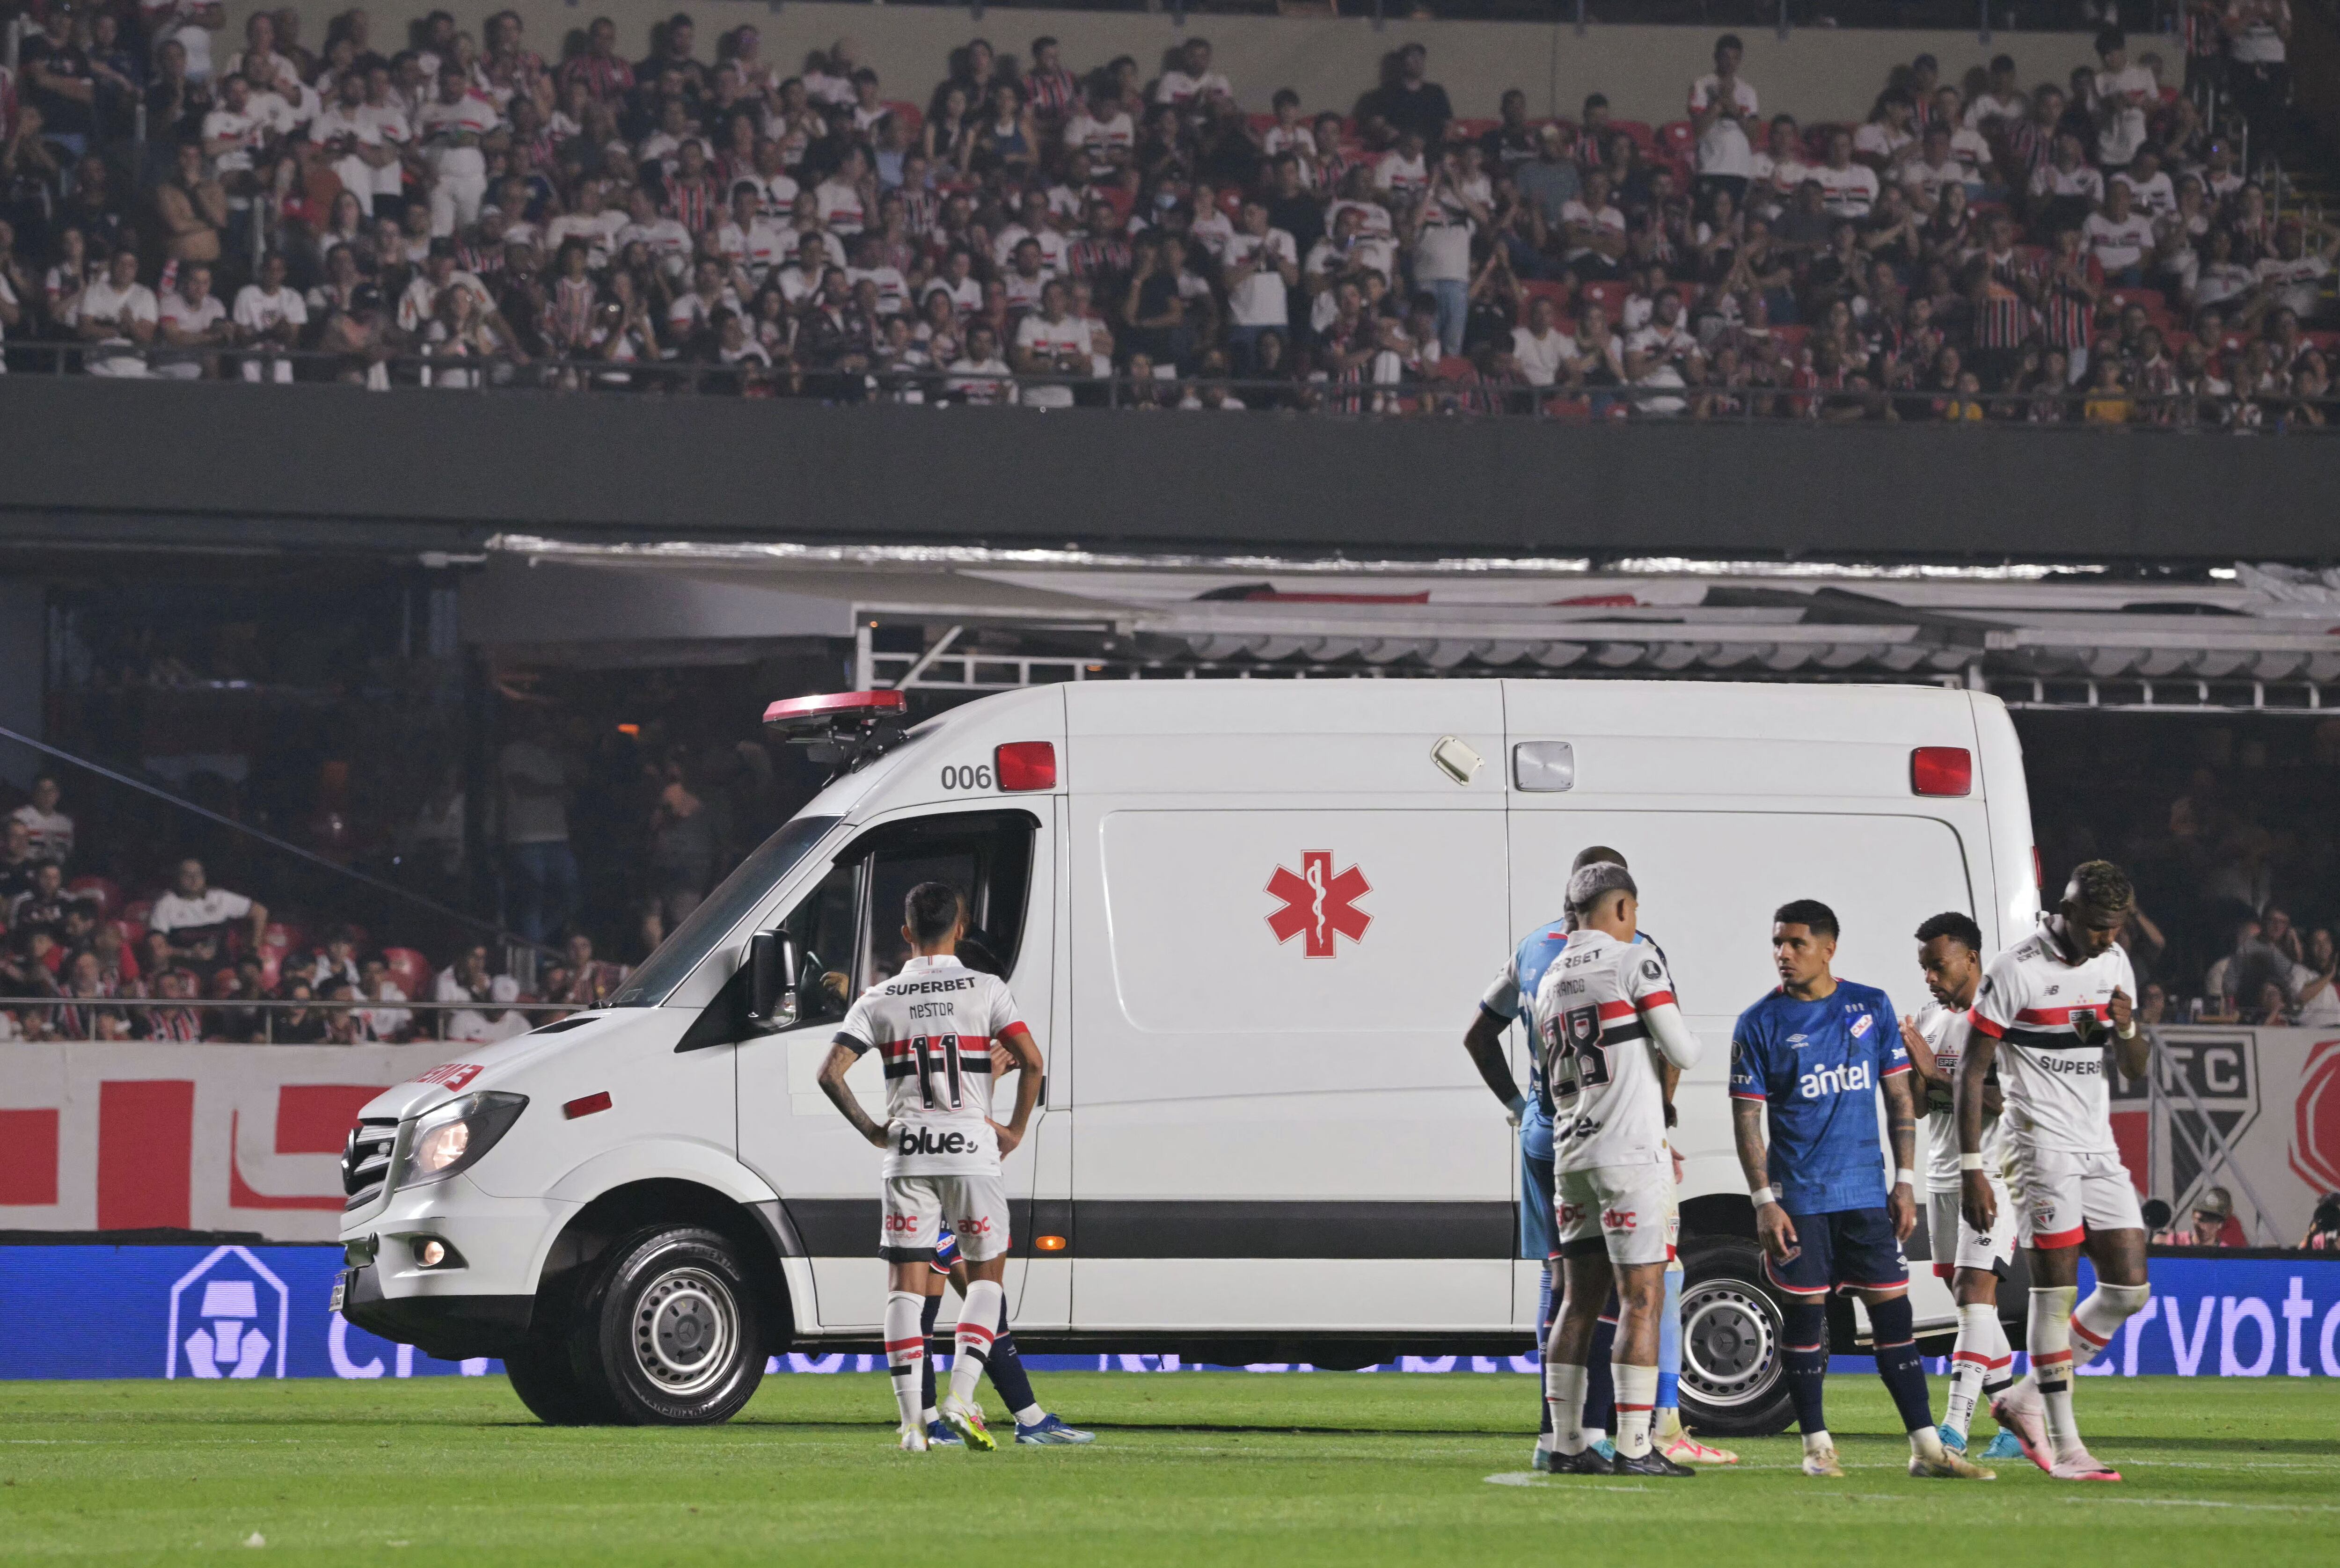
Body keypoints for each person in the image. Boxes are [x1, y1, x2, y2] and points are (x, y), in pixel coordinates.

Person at [1730, 899, 1992, 1480]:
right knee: (1804, 1323)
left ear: (1828, 948)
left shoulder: (1869, 1006)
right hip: (1798, 1198)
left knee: (1893, 1320)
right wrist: (1763, 1201)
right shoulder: (1758, 1022)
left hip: (1865, 1195)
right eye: (1778, 943)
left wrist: (1903, 1183)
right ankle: (1816, 1448)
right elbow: (1746, 1119)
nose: (1783, 954)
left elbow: (1901, 1099)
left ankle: (1926, 1449)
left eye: (1796, 943)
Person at [816, 881, 1044, 1452]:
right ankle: (961, 1397)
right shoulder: (986, 988)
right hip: (971, 1150)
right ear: (961, 929)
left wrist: (873, 1130)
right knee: (986, 1280)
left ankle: (912, 1428)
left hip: (908, 1151)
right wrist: (1012, 1132)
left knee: (904, 1293)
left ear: (905, 932)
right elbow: (1034, 1063)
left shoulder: (878, 997)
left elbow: (829, 1073)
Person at [1960, 860, 2154, 1483]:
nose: (2106, 937)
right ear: (2065, 912)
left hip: (2096, 1143)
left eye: (2115, 926)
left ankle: (2021, 1398)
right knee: (2055, 1288)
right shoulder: (2016, 968)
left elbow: (2135, 1067)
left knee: (2129, 1289)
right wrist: (1972, 1167)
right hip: (2037, 1144)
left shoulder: (2116, 962)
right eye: (2097, 926)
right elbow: (1970, 1070)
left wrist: (2125, 1024)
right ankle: (2068, 1445)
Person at [1534, 861, 1703, 1478]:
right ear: (1625, 908)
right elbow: (1683, 1049)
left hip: (1571, 1153)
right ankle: (1635, 1444)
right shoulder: (1633, 960)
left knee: (1577, 1301)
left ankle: (1568, 1442)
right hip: (1630, 1153)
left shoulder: (1550, 976)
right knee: (1643, 1295)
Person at [1898, 912, 2024, 1462]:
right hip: (1942, 1175)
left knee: (1975, 1296)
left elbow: (2008, 1101)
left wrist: (1935, 1072)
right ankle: (2021, 1421)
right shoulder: (1930, 1019)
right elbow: (1927, 1109)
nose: (1929, 977)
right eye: (1924, 966)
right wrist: (1911, 1075)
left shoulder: (2001, 1020)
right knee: (1970, 1305)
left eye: (1937, 965)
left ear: (1970, 958)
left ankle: (1951, 1429)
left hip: (1994, 1175)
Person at [912, 1224, 1092, 1447]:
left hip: (940, 1219)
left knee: (939, 1313)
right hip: (957, 1218)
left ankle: (1029, 1418)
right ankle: (936, 1418)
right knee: (979, 1304)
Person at [146, 858, 269, 966]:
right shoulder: (166, 904)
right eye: (188, 875)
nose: (194, 879)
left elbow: (260, 912)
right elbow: (158, 950)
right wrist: (190, 954)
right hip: (182, 967)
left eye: (198, 874)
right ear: (179, 878)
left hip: (222, 968)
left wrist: (253, 951)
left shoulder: (220, 898)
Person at [10, 775, 74, 864]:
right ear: (35, 793)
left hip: (56, 873)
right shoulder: (20, 817)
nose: (47, 795)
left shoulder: (66, 823)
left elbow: (68, 853)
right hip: (28, 871)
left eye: (51, 791)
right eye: (42, 791)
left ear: (57, 794)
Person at [2153, 1185, 2237, 1246]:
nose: (2204, 1227)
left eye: (2211, 1221)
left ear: (2220, 1224)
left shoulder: (2226, 1254)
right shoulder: (2174, 1243)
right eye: (2201, 1220)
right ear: (2193, 1217)